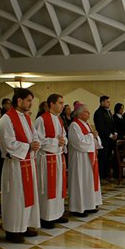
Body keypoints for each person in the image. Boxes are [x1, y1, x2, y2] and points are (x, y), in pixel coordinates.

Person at [0, 88, 41, 243]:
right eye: (28, 100)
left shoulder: (27, 119)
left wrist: (35, 144)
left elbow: (35, 137)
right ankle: (13, 229)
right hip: (15, 165)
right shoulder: (6, 120)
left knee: (28, 197)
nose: (30, 104)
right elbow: (9, 143)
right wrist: (29, 146)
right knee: (16, 198)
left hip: (28, 163)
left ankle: (26, 224)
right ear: (19, 100)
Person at [34, 93, 69, 229]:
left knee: (58, 186)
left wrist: (63, 141)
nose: (62, 105)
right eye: (60, 103)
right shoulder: (41, 120)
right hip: (47, 160)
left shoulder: (59, 119)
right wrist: (56, 141)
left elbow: (64, 136)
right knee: (48, 188)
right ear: (51, 104)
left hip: (58, 158)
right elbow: (39, 140)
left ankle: (57, 214)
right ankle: (46, 216)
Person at [68, 103, 103, 216]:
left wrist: (95, 135)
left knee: (88, 182)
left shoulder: (86, 124)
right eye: (86, 112)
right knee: (80, 182)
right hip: (80, 159)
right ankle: (78, 208)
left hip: (89, 158)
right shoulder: (74, 125)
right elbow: (79, 142)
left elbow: (92, 139)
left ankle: (89, 205)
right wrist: (91, 135)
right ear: (79, 113)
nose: (89, 114)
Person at [93, 95, 117, 181]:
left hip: (110, 139)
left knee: (109, 157)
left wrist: (115, 133)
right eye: (107, 102)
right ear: (102, 102)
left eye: (109, 102)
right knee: (103, 157)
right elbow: (101, 127)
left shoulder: (109, 112)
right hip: (104, 139)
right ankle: (100, 176)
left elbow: (113, 124)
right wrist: (110, 135)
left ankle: (107, 175)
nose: (109, 103)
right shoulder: (98, 113)